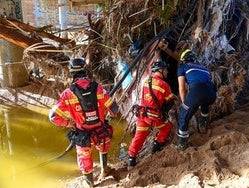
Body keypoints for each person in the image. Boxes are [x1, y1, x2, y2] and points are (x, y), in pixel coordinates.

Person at [48, 58, 118, 187]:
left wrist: (68, 123)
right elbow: (114, 109)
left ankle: (90, 184)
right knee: (103, 146)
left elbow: (53, 117)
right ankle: (104, 170)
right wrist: (107, 116)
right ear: (85, 71)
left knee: (84, 158)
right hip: (101, 132)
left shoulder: (67, 94)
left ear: (71, 73)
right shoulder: (99, 89)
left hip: (82, 134)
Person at [128, 61, 176, 167]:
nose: (167, 72)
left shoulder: (146, 81)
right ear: (161, 70)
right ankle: (156, 147)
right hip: (154, 117)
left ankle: (131, 160)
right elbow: (170, 101)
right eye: (165, 70)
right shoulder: (164, 85)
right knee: (167, 127)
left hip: (141, 114)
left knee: (139, 137)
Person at [176, 49, 217, 150]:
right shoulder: (204, 68)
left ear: (183, 60)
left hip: (198, 92)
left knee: (183, 115)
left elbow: (181, 88)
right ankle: (203, 123)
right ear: (194, 59)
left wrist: (184, 103)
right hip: (212, 93)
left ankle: (182, 144)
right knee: (205, 102)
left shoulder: (183, 67)